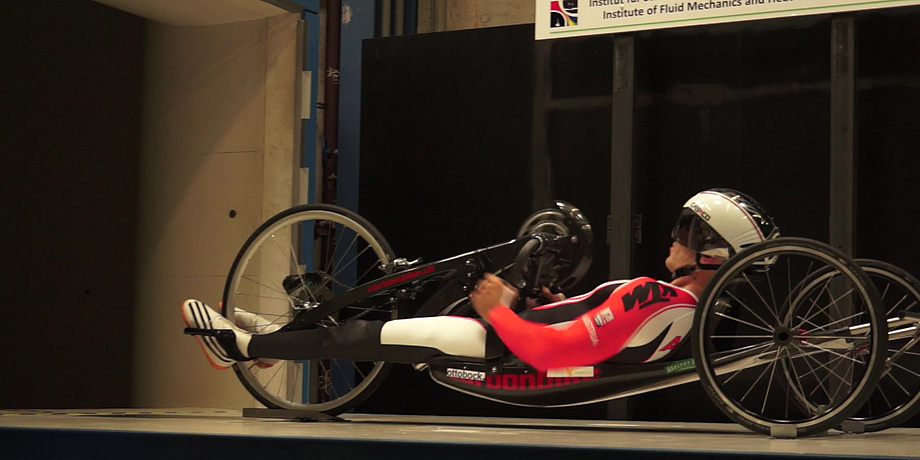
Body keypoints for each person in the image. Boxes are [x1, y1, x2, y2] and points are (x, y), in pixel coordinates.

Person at [183, 188, 779, 372]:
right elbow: (582, 329)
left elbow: (558, 351)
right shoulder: (683, 313)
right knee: (386, 319)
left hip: (498, 346)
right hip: (512, 335)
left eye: (688, 233)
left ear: (711, 252)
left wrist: (498, 308)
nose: (675, 239)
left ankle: (244, 346)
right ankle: (281, 339)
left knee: (366, 337)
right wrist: (553, 301)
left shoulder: (660, 297)